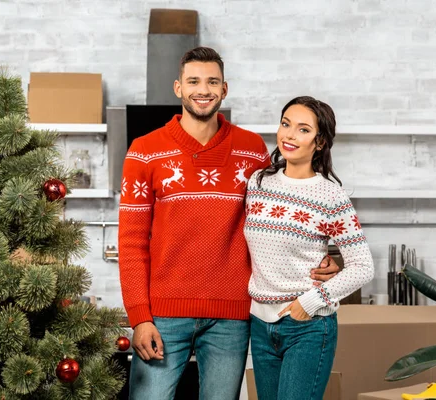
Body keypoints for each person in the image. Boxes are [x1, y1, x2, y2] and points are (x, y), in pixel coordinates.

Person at [118, 48, 340, 400]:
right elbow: (131, 243)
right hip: (162, 315)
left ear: (225, 89)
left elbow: (286, 211)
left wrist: (328, 258)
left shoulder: (252, 150)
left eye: (212, 82)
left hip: (232, 317)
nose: (202, 90)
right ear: (178, 88)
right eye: (193, 81)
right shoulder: (144, 151)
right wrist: (139, 317)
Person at [245, 96, 375, 400]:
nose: (289, 135)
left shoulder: (330, 195)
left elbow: (362, 265)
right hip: (260, 326)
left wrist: (312, 301)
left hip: (307, 327)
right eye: (285, 124)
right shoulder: (258, 183)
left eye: (303, 130)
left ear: (320, 142)